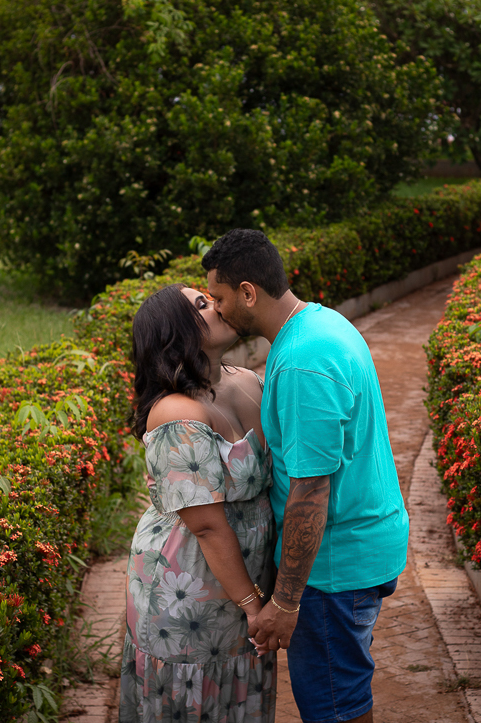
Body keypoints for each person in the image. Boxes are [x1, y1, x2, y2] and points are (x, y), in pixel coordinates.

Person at [201, 229, 409, 723]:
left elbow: (311, 492)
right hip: (359, 548)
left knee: (336, 705)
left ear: (249, 292)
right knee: (342, 692)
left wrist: (286, 602)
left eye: (220, 298)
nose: (219, 309)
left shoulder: (302, 362)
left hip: (333, 570)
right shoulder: (320, 324)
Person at [121, 283, 278, 723]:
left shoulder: (245, 380)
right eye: (201, 305)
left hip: (244, 579)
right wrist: (253, 606)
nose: (216, 305)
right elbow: (206, 525)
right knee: (194, 701)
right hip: (186, 585)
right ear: (176, 333)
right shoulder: (175, 410)